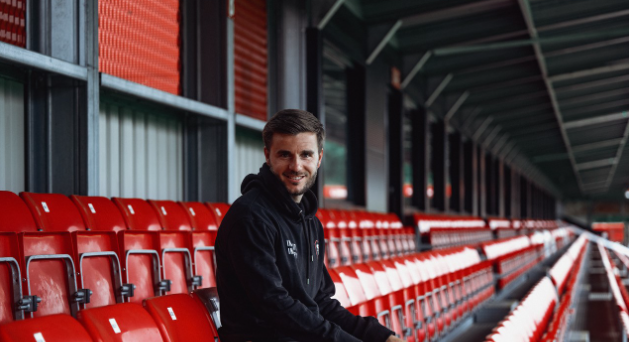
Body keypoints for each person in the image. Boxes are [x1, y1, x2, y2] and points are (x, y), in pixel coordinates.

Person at [215, 109, 406, 342]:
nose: (296, 166)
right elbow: (275, 307)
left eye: (306, 154)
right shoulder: (250, 218)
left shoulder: (311, 223)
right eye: (284, 155)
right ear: (267, 155)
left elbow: (321, 303)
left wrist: (381, 337)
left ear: (320, 158)